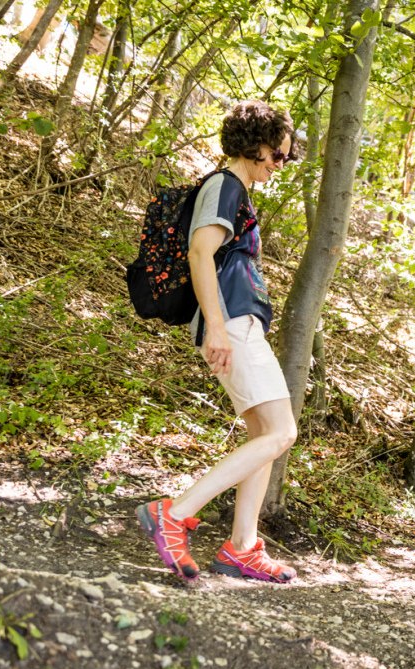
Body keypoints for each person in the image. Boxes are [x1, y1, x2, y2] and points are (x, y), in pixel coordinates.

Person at [137, 100, 300, 585]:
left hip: (236, 322)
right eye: (276, 154)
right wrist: (218, 326)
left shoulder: (236, 192)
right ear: (253, 145)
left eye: (285, 158)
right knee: (281, 433)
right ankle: (174, 513)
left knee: (264, 437)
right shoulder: (224, 186)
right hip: (231, 322)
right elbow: (199, 253)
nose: (279, 165)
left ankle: (242, 548)